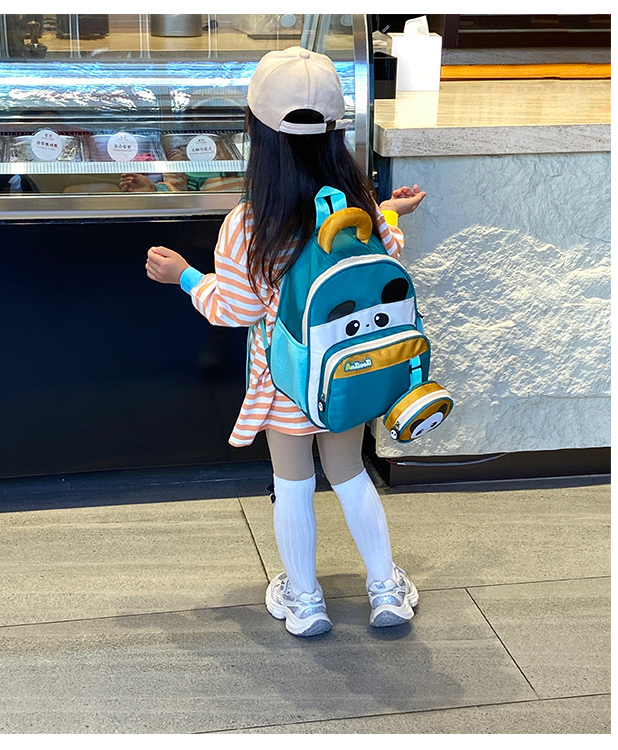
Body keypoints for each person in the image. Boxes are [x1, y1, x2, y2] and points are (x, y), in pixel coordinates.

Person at [145, 47, 425, 637]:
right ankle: (385, 590)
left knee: (293, 485)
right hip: (345, 372)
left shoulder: (249, 222)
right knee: (350, 473)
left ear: (255, 128)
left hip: (284, 381)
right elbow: (383, 257)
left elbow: (236, 308)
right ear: (336, 131)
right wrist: (391, 213)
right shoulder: (358, 205)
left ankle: (304, 600)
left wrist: (187, 278)